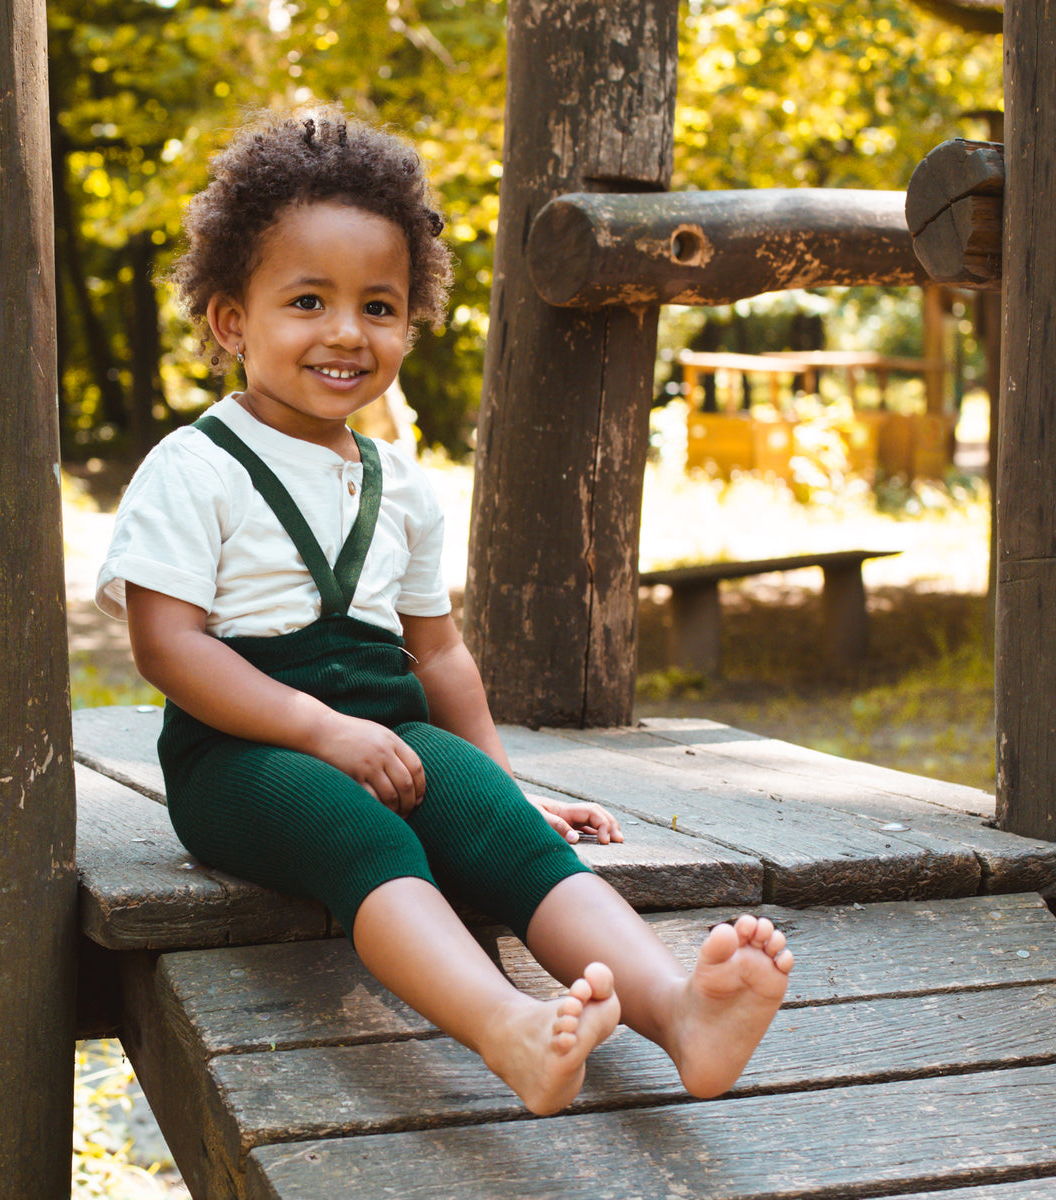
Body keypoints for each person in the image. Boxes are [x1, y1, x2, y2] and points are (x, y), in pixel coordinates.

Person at [97, 106, 793, 1117]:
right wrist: (320, 730)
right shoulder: (196, 466)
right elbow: (167, 646)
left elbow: (441, 656)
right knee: (366, 838)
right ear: (231, 321)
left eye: (379, 306)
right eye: (306, 300)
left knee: (515, 848)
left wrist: (507, 792)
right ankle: (505, 1027)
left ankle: (680, 1013)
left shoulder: (400, 484)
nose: (346, 332)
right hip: (242, 756)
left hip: (395, 735)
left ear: (411, 321)